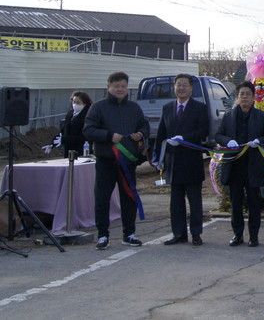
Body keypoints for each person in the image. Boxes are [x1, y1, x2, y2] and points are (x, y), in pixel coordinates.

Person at [84, 71, 150, 250]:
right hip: (106, 161)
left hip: (128, 162)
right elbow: (88, 130)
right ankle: (103, 235)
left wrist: (140, 135)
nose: (120, 89)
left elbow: (144, 126)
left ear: (127, 87)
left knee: (129, 198)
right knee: (102, 199)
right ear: (108, 87)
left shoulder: (134, 107)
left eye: (123, 86)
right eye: (116, 86)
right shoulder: (98, 107)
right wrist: (108, 136)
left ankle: (129, 233)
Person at [215, 81, 264, 247]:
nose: (245, 97)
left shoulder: (262, 116)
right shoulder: (228, 116)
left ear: (254, 97)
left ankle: (254, 236)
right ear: (237, 97)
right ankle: (237, 235)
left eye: (248, 94)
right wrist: (228, 141)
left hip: (253, 164)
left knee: (254, 202)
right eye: (242, 94)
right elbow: (219, 135)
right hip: (234, 165)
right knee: (235, 202)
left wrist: (259, 141)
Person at [157, 74, 211, 246]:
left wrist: (184, 138)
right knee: (176, 201)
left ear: (191, 88)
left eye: (185, 85)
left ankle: (196, 233)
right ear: (174, 87)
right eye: (178, 85)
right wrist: (158, 157)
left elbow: (203, 131)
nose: (181, 88)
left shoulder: (200, 107)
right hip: (173, 160)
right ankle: (179, 233)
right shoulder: (167, 107)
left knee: (194, 200)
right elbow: (161, 134)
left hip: (191, 159)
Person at [57, 91, 92, 155]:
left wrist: (66, 139)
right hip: (68, 149)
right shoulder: (70, 114)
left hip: (81, 149)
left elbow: (85, 136)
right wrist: (54, 142)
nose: (75, 104)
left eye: (78, 103)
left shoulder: (88, 116)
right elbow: (64, 129)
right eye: (73, 102)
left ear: (85, 103)